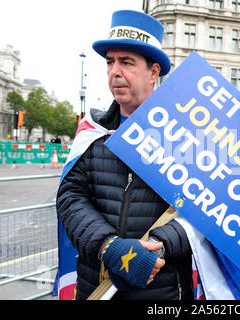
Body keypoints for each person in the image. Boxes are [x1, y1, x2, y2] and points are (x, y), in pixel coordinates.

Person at [56, 10, 193, 300]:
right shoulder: (92, 132)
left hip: (163, 290)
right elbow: (70, 197)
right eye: (110, 62)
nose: (114, 72)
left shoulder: (186, 136)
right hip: (97, 285)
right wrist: (109, 247)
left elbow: (206, 213)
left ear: (153, 72)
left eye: (126, 63)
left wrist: (157, 247)